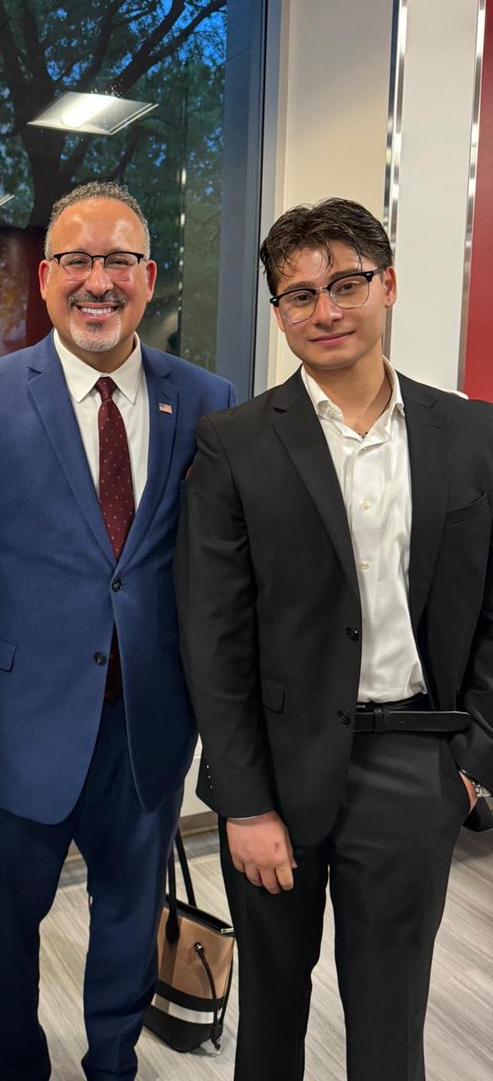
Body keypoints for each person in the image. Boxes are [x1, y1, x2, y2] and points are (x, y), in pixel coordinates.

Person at [0, 181, 235, 1081]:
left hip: (147, 725)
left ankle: (112, 1064)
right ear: (47, 277)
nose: (99, 281)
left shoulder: (206, 400)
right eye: (78, 261)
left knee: (129, 919)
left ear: (150, 277)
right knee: (4, 928)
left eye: (119, 262)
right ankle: (20, 1067)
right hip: (13, 728)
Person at [174, 197, 493, 1081]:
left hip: (414, 765)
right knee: (272, 1014)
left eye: (345, 285)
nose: (325, 312)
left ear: (386, 285)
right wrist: (242, 803)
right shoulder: (234, 444)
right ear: (278, 313)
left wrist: (469, 760)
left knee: (390, 1020)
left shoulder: (472, 436)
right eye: (298, 295)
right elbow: (214, 634)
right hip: (276, 770)